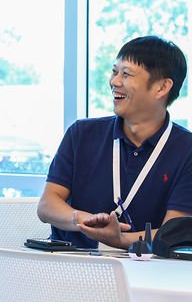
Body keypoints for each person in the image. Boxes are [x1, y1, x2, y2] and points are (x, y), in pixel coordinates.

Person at [38, 36, 192, 249]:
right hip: (71, 265)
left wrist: (120, 240)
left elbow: (174, 232)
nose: (114, 81)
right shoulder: (81, 134)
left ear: (161, 87)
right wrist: (81, 219)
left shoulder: (186, 149)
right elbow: (46, 205)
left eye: (126, 74)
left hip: (146, 271)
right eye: (114, 72)